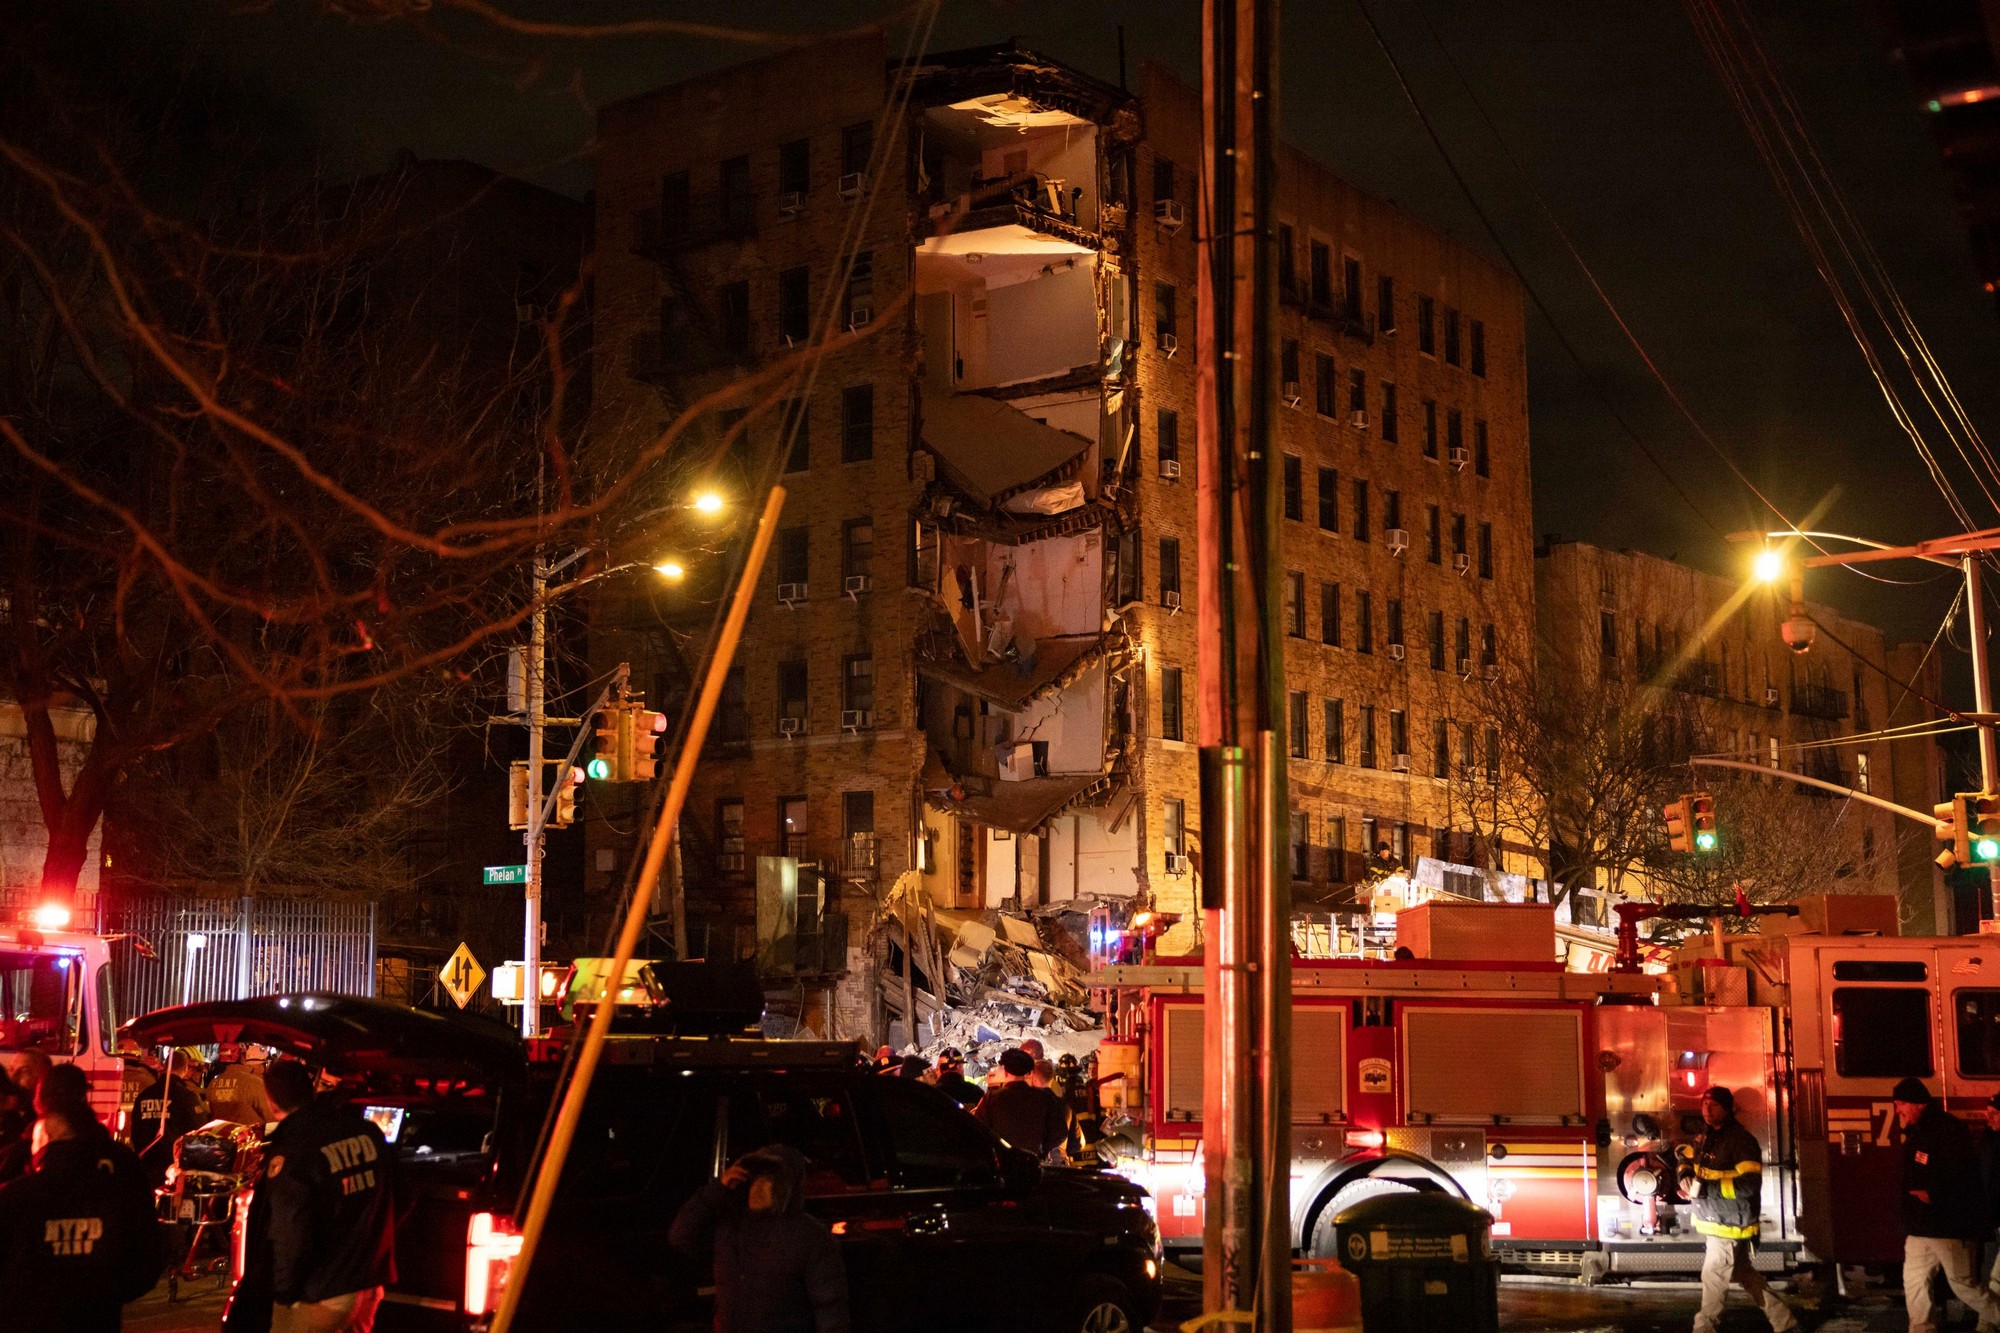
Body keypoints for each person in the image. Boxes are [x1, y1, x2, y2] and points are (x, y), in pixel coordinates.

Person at [0, 1102, 164, 1332]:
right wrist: (107, 1294)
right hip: (97, 1319)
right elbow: (148, 1255)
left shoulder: (17, 1197)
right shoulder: (114, 1191)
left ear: (46, 1139)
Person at [261, 1061, 396, 1333]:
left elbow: (290, 1232)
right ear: (311, 1090)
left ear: (272, 1103)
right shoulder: (367, 1132)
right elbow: (400, 1197)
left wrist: (283, 1293)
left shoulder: (295, 1152)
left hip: (321, 1294)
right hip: (368, 1285)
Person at [669, 1144, 848, 1333]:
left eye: (768, 1179)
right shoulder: (731, 1225)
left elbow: (830, 1306)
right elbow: (680, 1236)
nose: (758, 1186)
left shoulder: (810, 1235)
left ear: (785, 1186)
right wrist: (718, 1189)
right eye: (755, 1178)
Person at [1678, 1087, 1795, 1333]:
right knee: (1744, 1274)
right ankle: (1785, 1322)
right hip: (1717, 1218)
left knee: (1713, 1277)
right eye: (1704, 1104)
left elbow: (1748, 1185)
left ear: (1728, 1109)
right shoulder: (1706, 1136)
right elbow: (1686, 1157)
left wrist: (1705, 1190)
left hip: (1729, 1223)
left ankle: (1704, 1328)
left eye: (1714, 1106)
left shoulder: (1741, 1141)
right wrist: (1685, 1176)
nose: (1707, 1110)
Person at [1893, 1076, 2000, 1333]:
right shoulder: (1918, 1132)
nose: (1898, 1111)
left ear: (1918, 1104)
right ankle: (1921, 1329)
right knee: (1914, 1281)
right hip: (1921, 1226)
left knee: (1963, 1285)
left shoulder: (1948, 1131)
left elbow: (1962, 1175)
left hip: (1949, 1226)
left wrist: (1934, 1194)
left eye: (1901, 1104)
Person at [974, 1048, 1070, 1162]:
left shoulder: (991, 1099)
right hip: (1033, 1163)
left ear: (1005, 1071)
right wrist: (1042, 1149)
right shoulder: (1044, 1098)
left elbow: (978, 1131)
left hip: (1003, 1163)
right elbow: (1060, 1132)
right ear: (1028, 1073)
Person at [132, 1054, 207, 1187]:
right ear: (185, 1069)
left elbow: (135, 1130)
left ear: (166, 1067)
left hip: (146, 1164)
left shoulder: (144, 1095)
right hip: (173, 1169)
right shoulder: (186, 1097)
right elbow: (199, 1131)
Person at [208, 1050, 275, 1128]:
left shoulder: (213, 1082)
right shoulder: (253, 1082)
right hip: (249, 1133)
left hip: (219, 1132)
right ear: (242, 1058)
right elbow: (270, 1116)